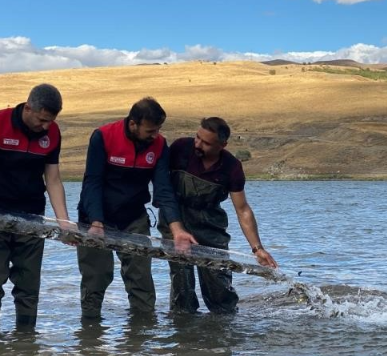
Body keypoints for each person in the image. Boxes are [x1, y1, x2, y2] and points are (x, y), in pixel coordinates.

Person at [76, 97, 196, 319]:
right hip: (94, 216)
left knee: (141, 280)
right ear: (133, 124)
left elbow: (164, 190)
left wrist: (178, 230)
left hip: (134, 218)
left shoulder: (159, 145)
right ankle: (90, 336)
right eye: (151, 130)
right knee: (96, 277)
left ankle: (142, 337)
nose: (155, 135)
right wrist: (96, 222)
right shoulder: (103, 136)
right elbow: (92, 181)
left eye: (158, 129)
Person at [0, 83, 69, 331]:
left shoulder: (52, 133)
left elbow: (53, 180)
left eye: (50, 122)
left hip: (32, 218)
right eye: (42, 120)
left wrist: (64, 221)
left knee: (29, 287)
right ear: (29, 108)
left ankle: (26, 345)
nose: (45, 127)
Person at [158, 117, 277, 314]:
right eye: (197, 137)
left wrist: (257, 249)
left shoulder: (232, 167)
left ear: (223, 145)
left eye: (206, 143)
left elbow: (243, 209)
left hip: (210, 226)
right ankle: (183, 334)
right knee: (182, 287)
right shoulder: (180, 148)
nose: (198, 144)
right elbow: (160, 184)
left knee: (219, 286)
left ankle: (224, 331)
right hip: (175, 223)